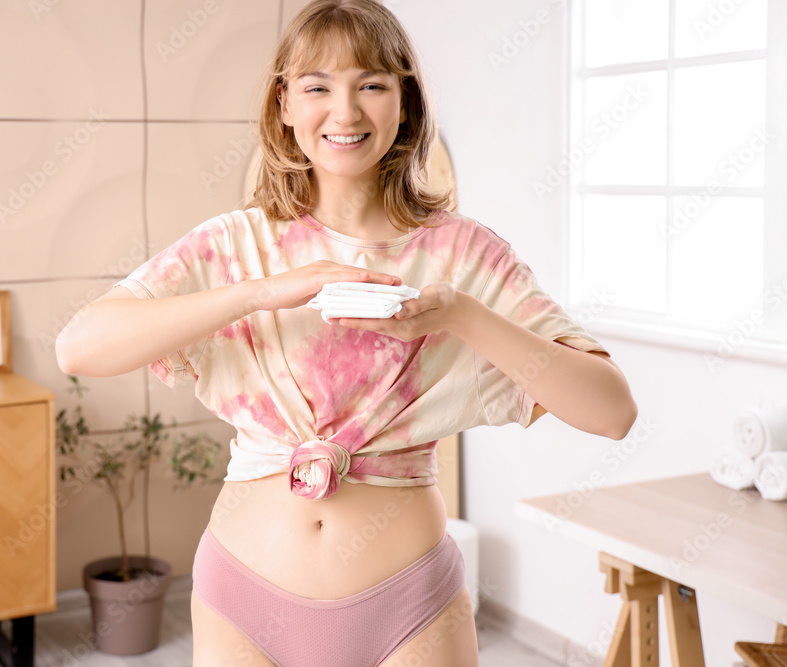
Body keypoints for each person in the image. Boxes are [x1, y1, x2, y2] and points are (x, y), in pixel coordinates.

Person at [55, 0, 638, 664]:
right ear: (283, 103)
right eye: (317, 87)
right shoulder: (234, 244)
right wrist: (261, 292)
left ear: (404, 102)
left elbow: (612, 411)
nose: (345, 111)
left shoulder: (464, 255)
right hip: (241, 598)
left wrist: (460, 315)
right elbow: (79, 346)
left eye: (371, 84)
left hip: (410, 606)